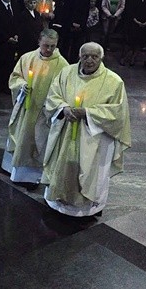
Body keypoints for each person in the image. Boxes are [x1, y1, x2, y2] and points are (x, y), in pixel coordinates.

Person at [42, 42, 131, 218]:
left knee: (91, 172)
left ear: (101, 58)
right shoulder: (66, 73)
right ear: (79, 57)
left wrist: (88, 113)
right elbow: (53, 95)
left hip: (96, 138)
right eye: (85, 56)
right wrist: (64, 108)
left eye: (94, 57)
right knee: (64, 167)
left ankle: (89, 209)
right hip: (65, 131)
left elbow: (117, 113)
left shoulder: (113, 81)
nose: (89, 60)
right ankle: (58, 201)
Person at [1, 29, 68, 189]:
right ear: (39, 42)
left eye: (53, 46)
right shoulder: (27, 58)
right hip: (26, 108)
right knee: (20, 138)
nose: (49, 50)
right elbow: (15, 77)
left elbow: (64, 90)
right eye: (46, 45)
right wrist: (22, 86)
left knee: (38, 143)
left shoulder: (63, 65)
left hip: (44, 112)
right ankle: (13, 170)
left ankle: (33, 177)